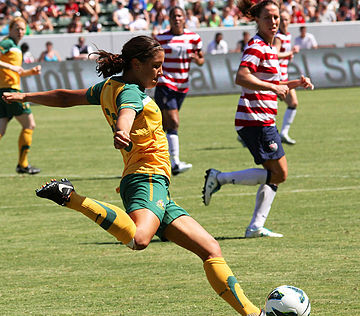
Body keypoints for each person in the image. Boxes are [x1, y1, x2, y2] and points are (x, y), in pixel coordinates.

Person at [3, 35, 266, 316]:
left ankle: (254, 314)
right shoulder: (131, 92)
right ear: (137, 64)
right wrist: (123, 129)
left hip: (154, 185)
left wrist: (26, 95)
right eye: (156, 66)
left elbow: (66, 97)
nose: (160, 72)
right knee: (139, 239)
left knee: (210, 248)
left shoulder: (109, 87)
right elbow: (128, 111)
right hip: (147, 177)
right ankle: (72, 197)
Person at [202, 0, 314, 238]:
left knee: (275, 174)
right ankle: (219, 178)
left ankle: (255, 226)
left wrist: (295, 83)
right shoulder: (257, 46)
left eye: (276, 17)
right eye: (268, 17)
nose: (273, 22)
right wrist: (273, 89)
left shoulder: (269, 47)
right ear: (257, 20)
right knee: (279, 174)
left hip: (262, 118)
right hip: (255, 119)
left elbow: (271, 83)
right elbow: (241, 76)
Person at [154, 6, 204, 175]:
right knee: (174, 121)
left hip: (183, 85)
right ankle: (174, 162)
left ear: (184, 18)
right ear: (169, 19)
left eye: (179, 16)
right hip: (165, 83)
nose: (177, 19)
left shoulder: (194, 38)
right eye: (174, 16)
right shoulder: (160, 38)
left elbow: (201, 60)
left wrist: (197, 59)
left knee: (163, 125)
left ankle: (160, 162)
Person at [0, 17, 41, 174]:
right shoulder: (7, 43)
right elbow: (12, 68)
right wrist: (11, 66)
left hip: (4, 90)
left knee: (1, 129)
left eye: (23, 29)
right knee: (29, 125)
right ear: (10, 29)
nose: (20, 32)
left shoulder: (15, 47)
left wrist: (31, 72)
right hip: (11, 91)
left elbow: (18, 72)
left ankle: (22, 165)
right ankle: (22, 165)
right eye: (17, 28)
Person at [274, 11, 300, 145]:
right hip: (277, 78)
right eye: (282, 20)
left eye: (286, 19)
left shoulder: (288, 36)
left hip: (284, 75)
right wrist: (290, 52)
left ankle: (283, 133)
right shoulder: (278, 37)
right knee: (292, 103)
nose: (284, 22)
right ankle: (283, 132)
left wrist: (289, 55)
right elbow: (275, 54)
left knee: (291, 103)